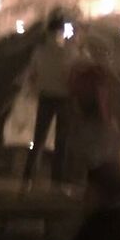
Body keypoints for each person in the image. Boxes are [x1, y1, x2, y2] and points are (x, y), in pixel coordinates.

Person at [22, 19, 75, 186]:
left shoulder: (41, 51)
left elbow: (31, 74)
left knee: (40, 137)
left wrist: (34, 89)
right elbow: (72, 75)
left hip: (47, 96)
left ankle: (28, 176)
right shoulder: (67, 52)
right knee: (60, 139)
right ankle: (56, 179)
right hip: (62, 97)